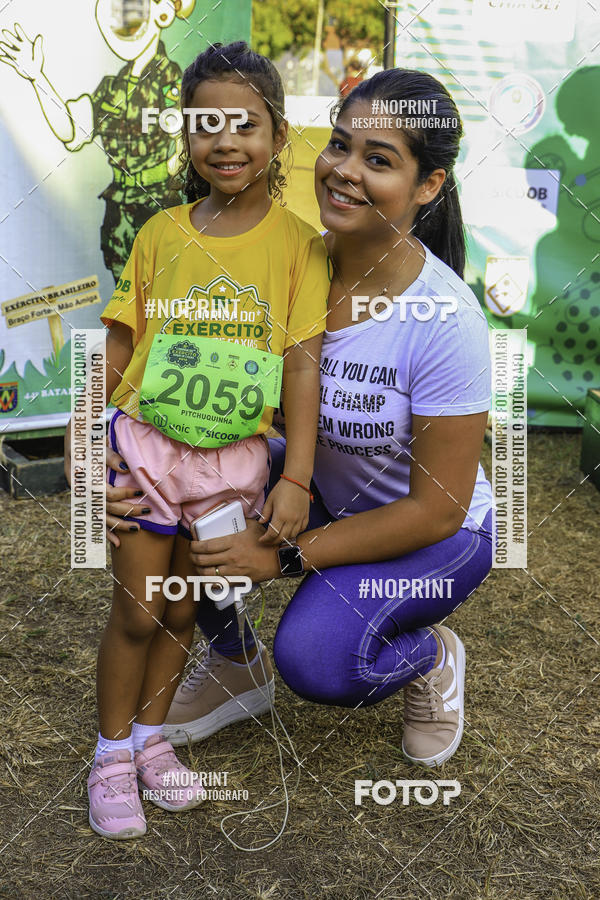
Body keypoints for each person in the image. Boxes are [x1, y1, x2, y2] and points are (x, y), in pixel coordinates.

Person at [108, 68, 493, 769]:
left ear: (429, 186)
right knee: (206, 496)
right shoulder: (288, 258)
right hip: (323, 493)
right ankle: (234, 662)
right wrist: (119, 467)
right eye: (340, 145)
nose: (343, 172)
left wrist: (283, 554)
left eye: (378, 160)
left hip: (433, 535)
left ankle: (429, 656)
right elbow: (171, 380)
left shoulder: (446, 321)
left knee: (318, 660)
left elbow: (438, 508)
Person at [64, 41, 328, 839]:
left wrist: (297, 478)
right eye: (205, 123)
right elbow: (118, 340)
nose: (225, 141)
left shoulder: (302, 246)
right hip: (147, 451)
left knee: (184, 612)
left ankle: (151, 743)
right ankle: (109, 756)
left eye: (243, 124)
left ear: (278, 135)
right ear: (185, 136)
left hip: (232, 468)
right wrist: (85, 438)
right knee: (139, 613)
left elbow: (302, 365)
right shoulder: (160, 232)